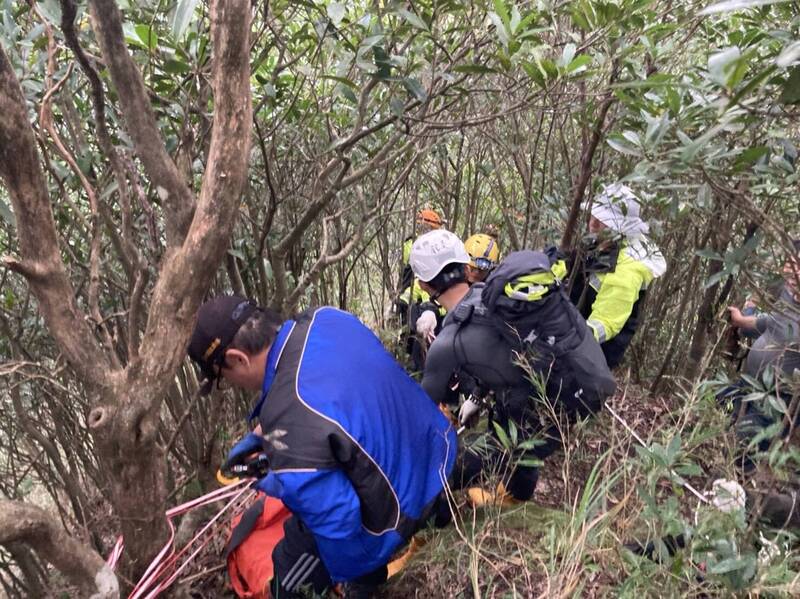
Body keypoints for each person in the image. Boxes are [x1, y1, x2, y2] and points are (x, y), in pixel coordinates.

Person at [188, 296, 456, 598]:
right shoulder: (326, 318)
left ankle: (366, 583)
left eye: (224, 377)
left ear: (237, 358)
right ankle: (438, 508)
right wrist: (269, 433)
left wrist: (287, 484)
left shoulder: (289, 416)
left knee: (287, 578)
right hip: (438, 452)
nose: (231, 383)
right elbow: (334, 393)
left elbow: (339, 524)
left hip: (402, 508)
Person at [409, 230, 616, 506]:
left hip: (552, 403)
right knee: (512, 417)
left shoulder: (447, 345)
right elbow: (504, 353)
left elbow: (421, 415)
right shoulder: (498, 298)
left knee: (468, 463)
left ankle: (436, 510)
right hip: (567, 385)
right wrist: (476, 397)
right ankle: (515, 494)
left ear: (423, 285)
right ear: (466, 267)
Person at [568, 183, 667, 369]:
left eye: (604, 219)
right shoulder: (599, 242)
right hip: (575, 329)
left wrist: (568, 340)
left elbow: (604, 323)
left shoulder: (627, 270)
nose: (594, 222)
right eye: (595, 214)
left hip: (593, 356)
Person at [723, 240, 800, 471]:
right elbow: (765, 324)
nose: (787, 269)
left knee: (745, 450)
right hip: (749, 387)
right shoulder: (788, 296)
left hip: (776, 403)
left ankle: (740, 499)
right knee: (713, 403)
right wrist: (746, 310)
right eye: (788, 261)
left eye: (795, 264)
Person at [395, 209, 445, 371]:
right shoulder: (416, 245)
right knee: (415, 339)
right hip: (415, 297)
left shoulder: (412, 243)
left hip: (417, 297)